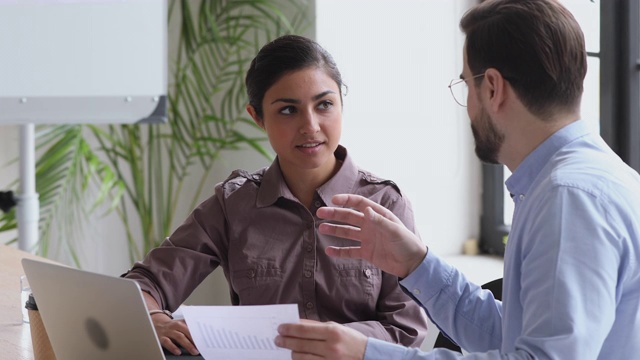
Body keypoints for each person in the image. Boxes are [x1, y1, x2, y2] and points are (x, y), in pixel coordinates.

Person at [274, 0, 640, 359]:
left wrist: (368, 356)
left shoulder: (569, 199)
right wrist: (416, 265)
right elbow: (515, 334)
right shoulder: (576, 182)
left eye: (466, 85)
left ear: (493, 88)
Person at [123, 34, 428, 356]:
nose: (310, 126)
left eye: (324, 104)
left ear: (342, 103)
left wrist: (331, 341)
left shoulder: (385, 204)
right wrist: (155, 318)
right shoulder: (233, 204)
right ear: (257, 117)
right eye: (287, 110)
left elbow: (406, 329)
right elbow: (145, 283)